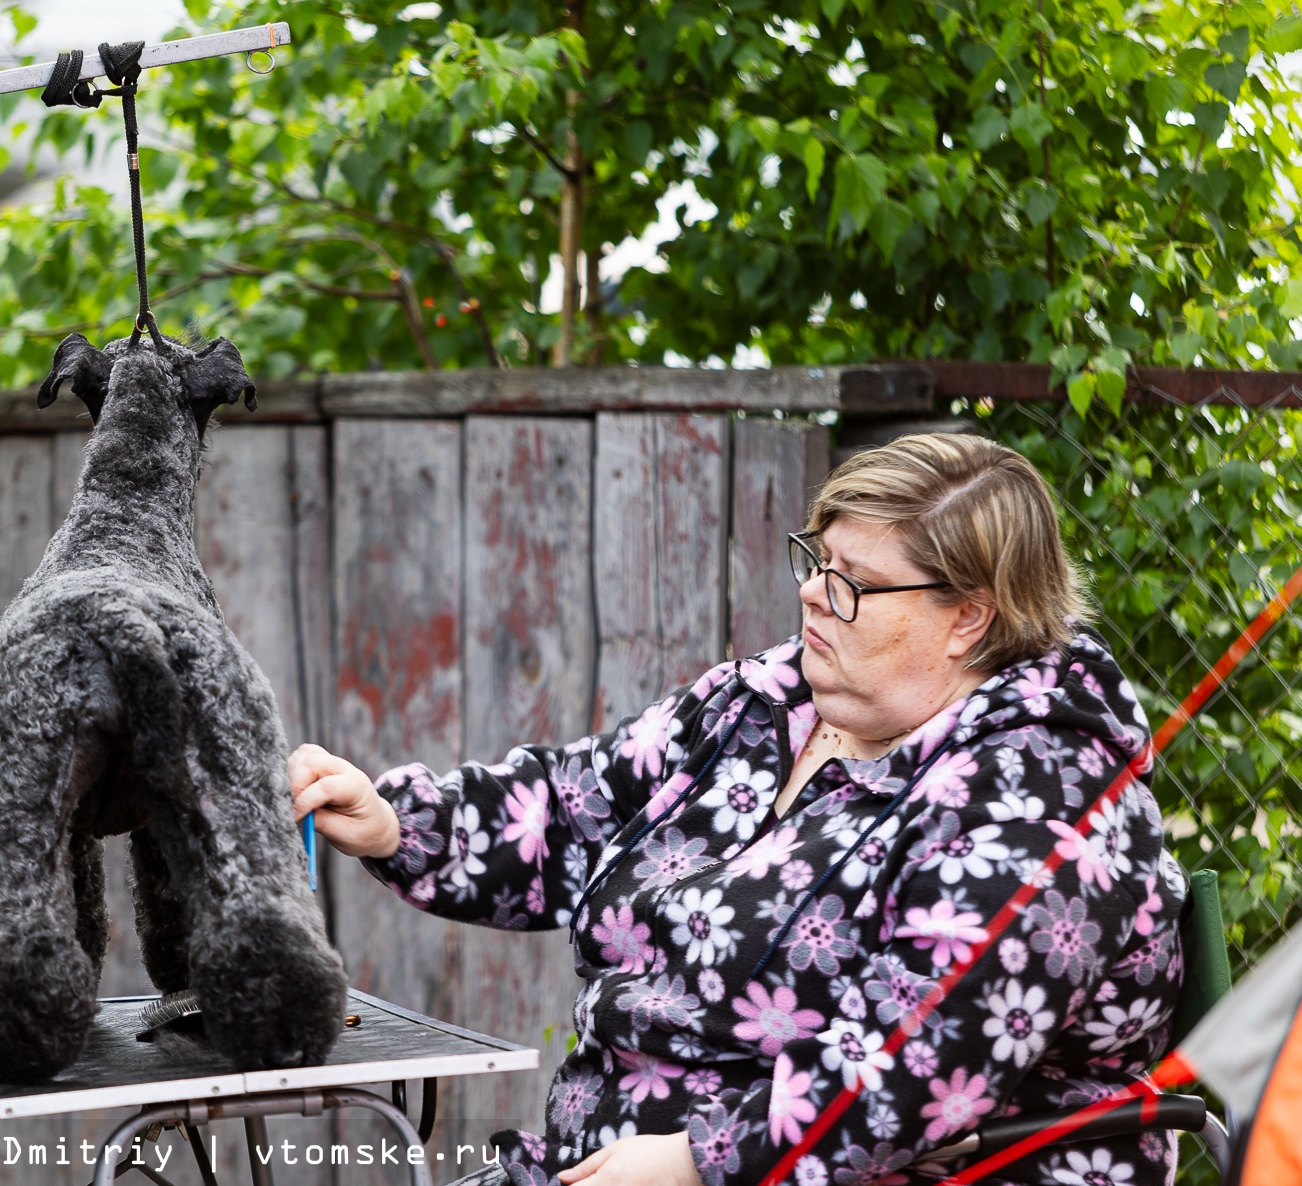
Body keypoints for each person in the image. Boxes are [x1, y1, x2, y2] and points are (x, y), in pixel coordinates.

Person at [290, 433, 1185, 1186]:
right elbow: (575, 808)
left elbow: (920, 1061)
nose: (809, 593)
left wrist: (696, 1160)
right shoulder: (765, 704)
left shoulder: (1042, 794)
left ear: (969, 620)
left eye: (854, 584)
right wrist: (402, 823)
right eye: (817, 562)